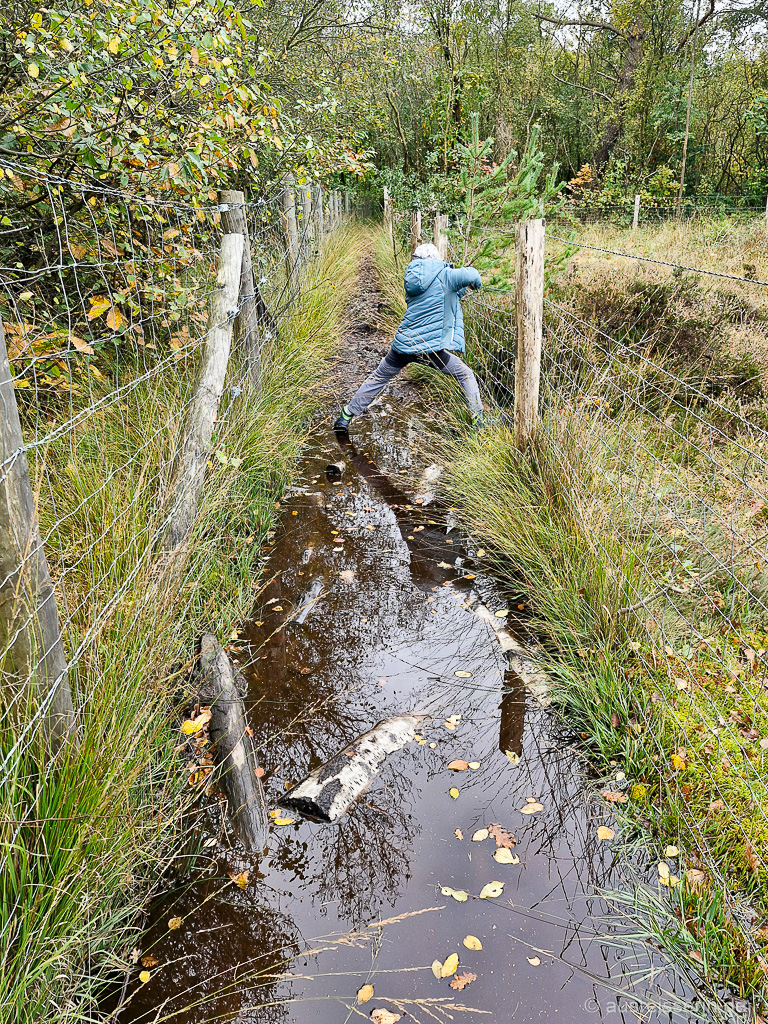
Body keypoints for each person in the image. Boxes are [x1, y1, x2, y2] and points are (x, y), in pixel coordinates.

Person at [333, 242, 484, 433]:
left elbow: (440, 295)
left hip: (403, 345)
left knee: (378, 377)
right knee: (465, 374)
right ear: (435, 260)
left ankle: (345, 416)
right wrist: (475, 285)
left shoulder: (411, 279)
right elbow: (473, 275)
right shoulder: (447, 275)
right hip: (430, 351)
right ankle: (478, 420)